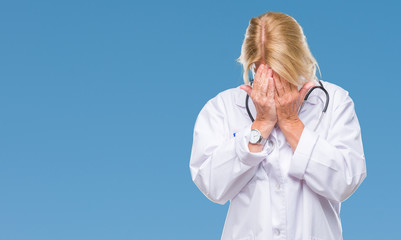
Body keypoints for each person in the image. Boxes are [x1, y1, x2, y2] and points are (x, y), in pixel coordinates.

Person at [189, 11, 367, 240]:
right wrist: (260, 124)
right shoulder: (222, 107)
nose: (273, 83)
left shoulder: (335, 102)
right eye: (263, 72)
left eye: (283, 71)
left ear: (299, 60)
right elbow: (213, 187)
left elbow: (345, 183)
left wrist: (292, 123)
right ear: (251, 66)